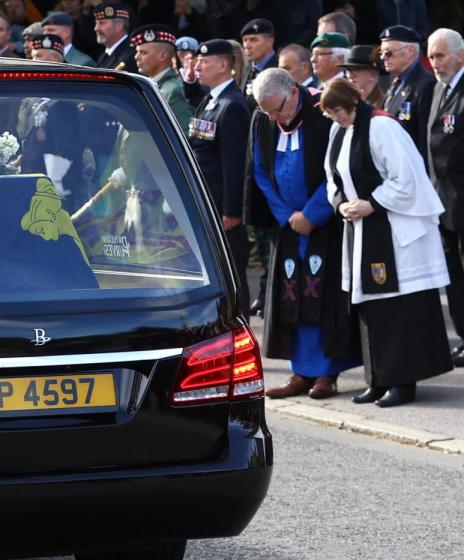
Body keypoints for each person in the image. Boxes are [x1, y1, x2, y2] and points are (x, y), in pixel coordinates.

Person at [321, 78, 452, 407]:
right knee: (370, 307)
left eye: (338, 111)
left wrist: (372, 203)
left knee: (395, 309)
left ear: (352, 104)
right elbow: (331, 178)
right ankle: (377, 378)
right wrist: (340, 204)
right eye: (330, 114)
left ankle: (402, 382)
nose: (335, 118)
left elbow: (405, 178)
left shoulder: (382, 126)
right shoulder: (340, 130)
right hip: (361, 230)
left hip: (392, 231)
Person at [250, 69, 361, 399]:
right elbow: (259, 169)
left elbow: (338, 170)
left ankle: (327, 372)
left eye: (277, 109)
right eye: (267, 111)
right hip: (288, 226)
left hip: (323, 223)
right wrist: (286, 216)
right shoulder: (264, 119)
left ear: (294, 93)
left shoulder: (320, 113)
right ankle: (300, 372)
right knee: (292, 297)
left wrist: (312, 215)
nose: (273, 117)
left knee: (322, 298)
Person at [184, 39, 252, 316]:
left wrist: (232, 211)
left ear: (224, 65)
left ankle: (240, 330)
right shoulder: (212, 100)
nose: (197, 66)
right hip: (208, 204)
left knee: (231, 276)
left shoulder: (232, 105)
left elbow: (234, 164)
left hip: (222, 209)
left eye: (204, 62)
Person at [426, 28, 464, 367]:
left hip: (462, 200)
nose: (435, 63)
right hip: (445, 203)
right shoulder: (440, 88)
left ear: (460, 55)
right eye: (432, 56)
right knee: (454, 276)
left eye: (440, 56)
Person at [379, 25, 435, 171]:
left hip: (413, 171)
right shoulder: (397, 83)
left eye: (388, 52)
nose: (382, 57)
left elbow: (425, 140)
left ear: (409, 52)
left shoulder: (425, 85)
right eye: (382, 52)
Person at [130, 24, 192, 129]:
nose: (136, 57)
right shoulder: (147, 86)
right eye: (137, 52)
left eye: (143, 53)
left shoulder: (174, 90)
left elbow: (183, 134)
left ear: (162, 55)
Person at [240, 18, 277, 99]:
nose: (247, 46)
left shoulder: (280, 68)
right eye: (245, 40)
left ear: (269, 42)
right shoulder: (246, 69)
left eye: (253, 40)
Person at [92, 3, 136, 72]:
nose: (96, 28)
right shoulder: (106, 54)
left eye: (102, 23)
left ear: (119, 26)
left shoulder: (130, 56)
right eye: (96, 23)